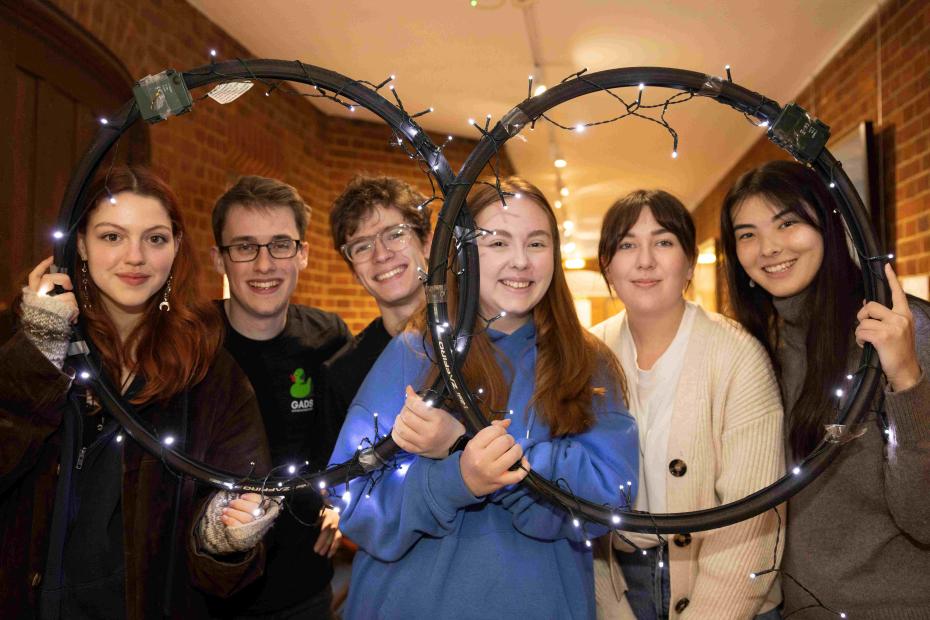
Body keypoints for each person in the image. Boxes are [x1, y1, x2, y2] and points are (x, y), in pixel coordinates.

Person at [329, 176, 639, 620]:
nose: (520, 261)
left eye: (536, 243)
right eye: (497, 243)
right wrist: (458, 478)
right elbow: (354, 500)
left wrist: (465, 444)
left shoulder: (585, 362)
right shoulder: (414, 352)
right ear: (462, 254)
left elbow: (609, 500)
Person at [0, 166, 278, 619]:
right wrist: (37, 351)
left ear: (175, 249)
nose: (136, 257)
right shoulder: (27, 337)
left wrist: (222, 537)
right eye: (112, 237)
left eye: (155, 238)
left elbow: (241, 497)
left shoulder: (210, 368)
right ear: (81, 246)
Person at [720, 160, 930, 618]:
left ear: (829, 223)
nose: (769, 248)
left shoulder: (901, 330)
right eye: (747, 233)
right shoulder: (758, 349)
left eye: (788, 222)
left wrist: (907, 379)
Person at [590, 189, 785, 620]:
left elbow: (755, 519)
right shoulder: (585, 354)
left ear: (690, 262)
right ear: (607, 266)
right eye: (626, 245)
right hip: (621, 586)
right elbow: (574, 501)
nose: (645, 260)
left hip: (731, 593)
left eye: (663, 242)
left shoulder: (737, 354)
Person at [209, 175, 351, 619]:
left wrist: (343, 503)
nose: (264, 263)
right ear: (220, 259)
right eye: (245, 246)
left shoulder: (329, 338)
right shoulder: (190, 343)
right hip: (202, 590)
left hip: (303, 587)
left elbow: (352, 443)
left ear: (303, 254)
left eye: (281, 245)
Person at [324, 175, 432, 430]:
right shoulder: (343, 374)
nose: (381, 255)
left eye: (395, 235)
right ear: (353, 270)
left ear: (426, 242)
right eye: (362, 247)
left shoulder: (479, 335)